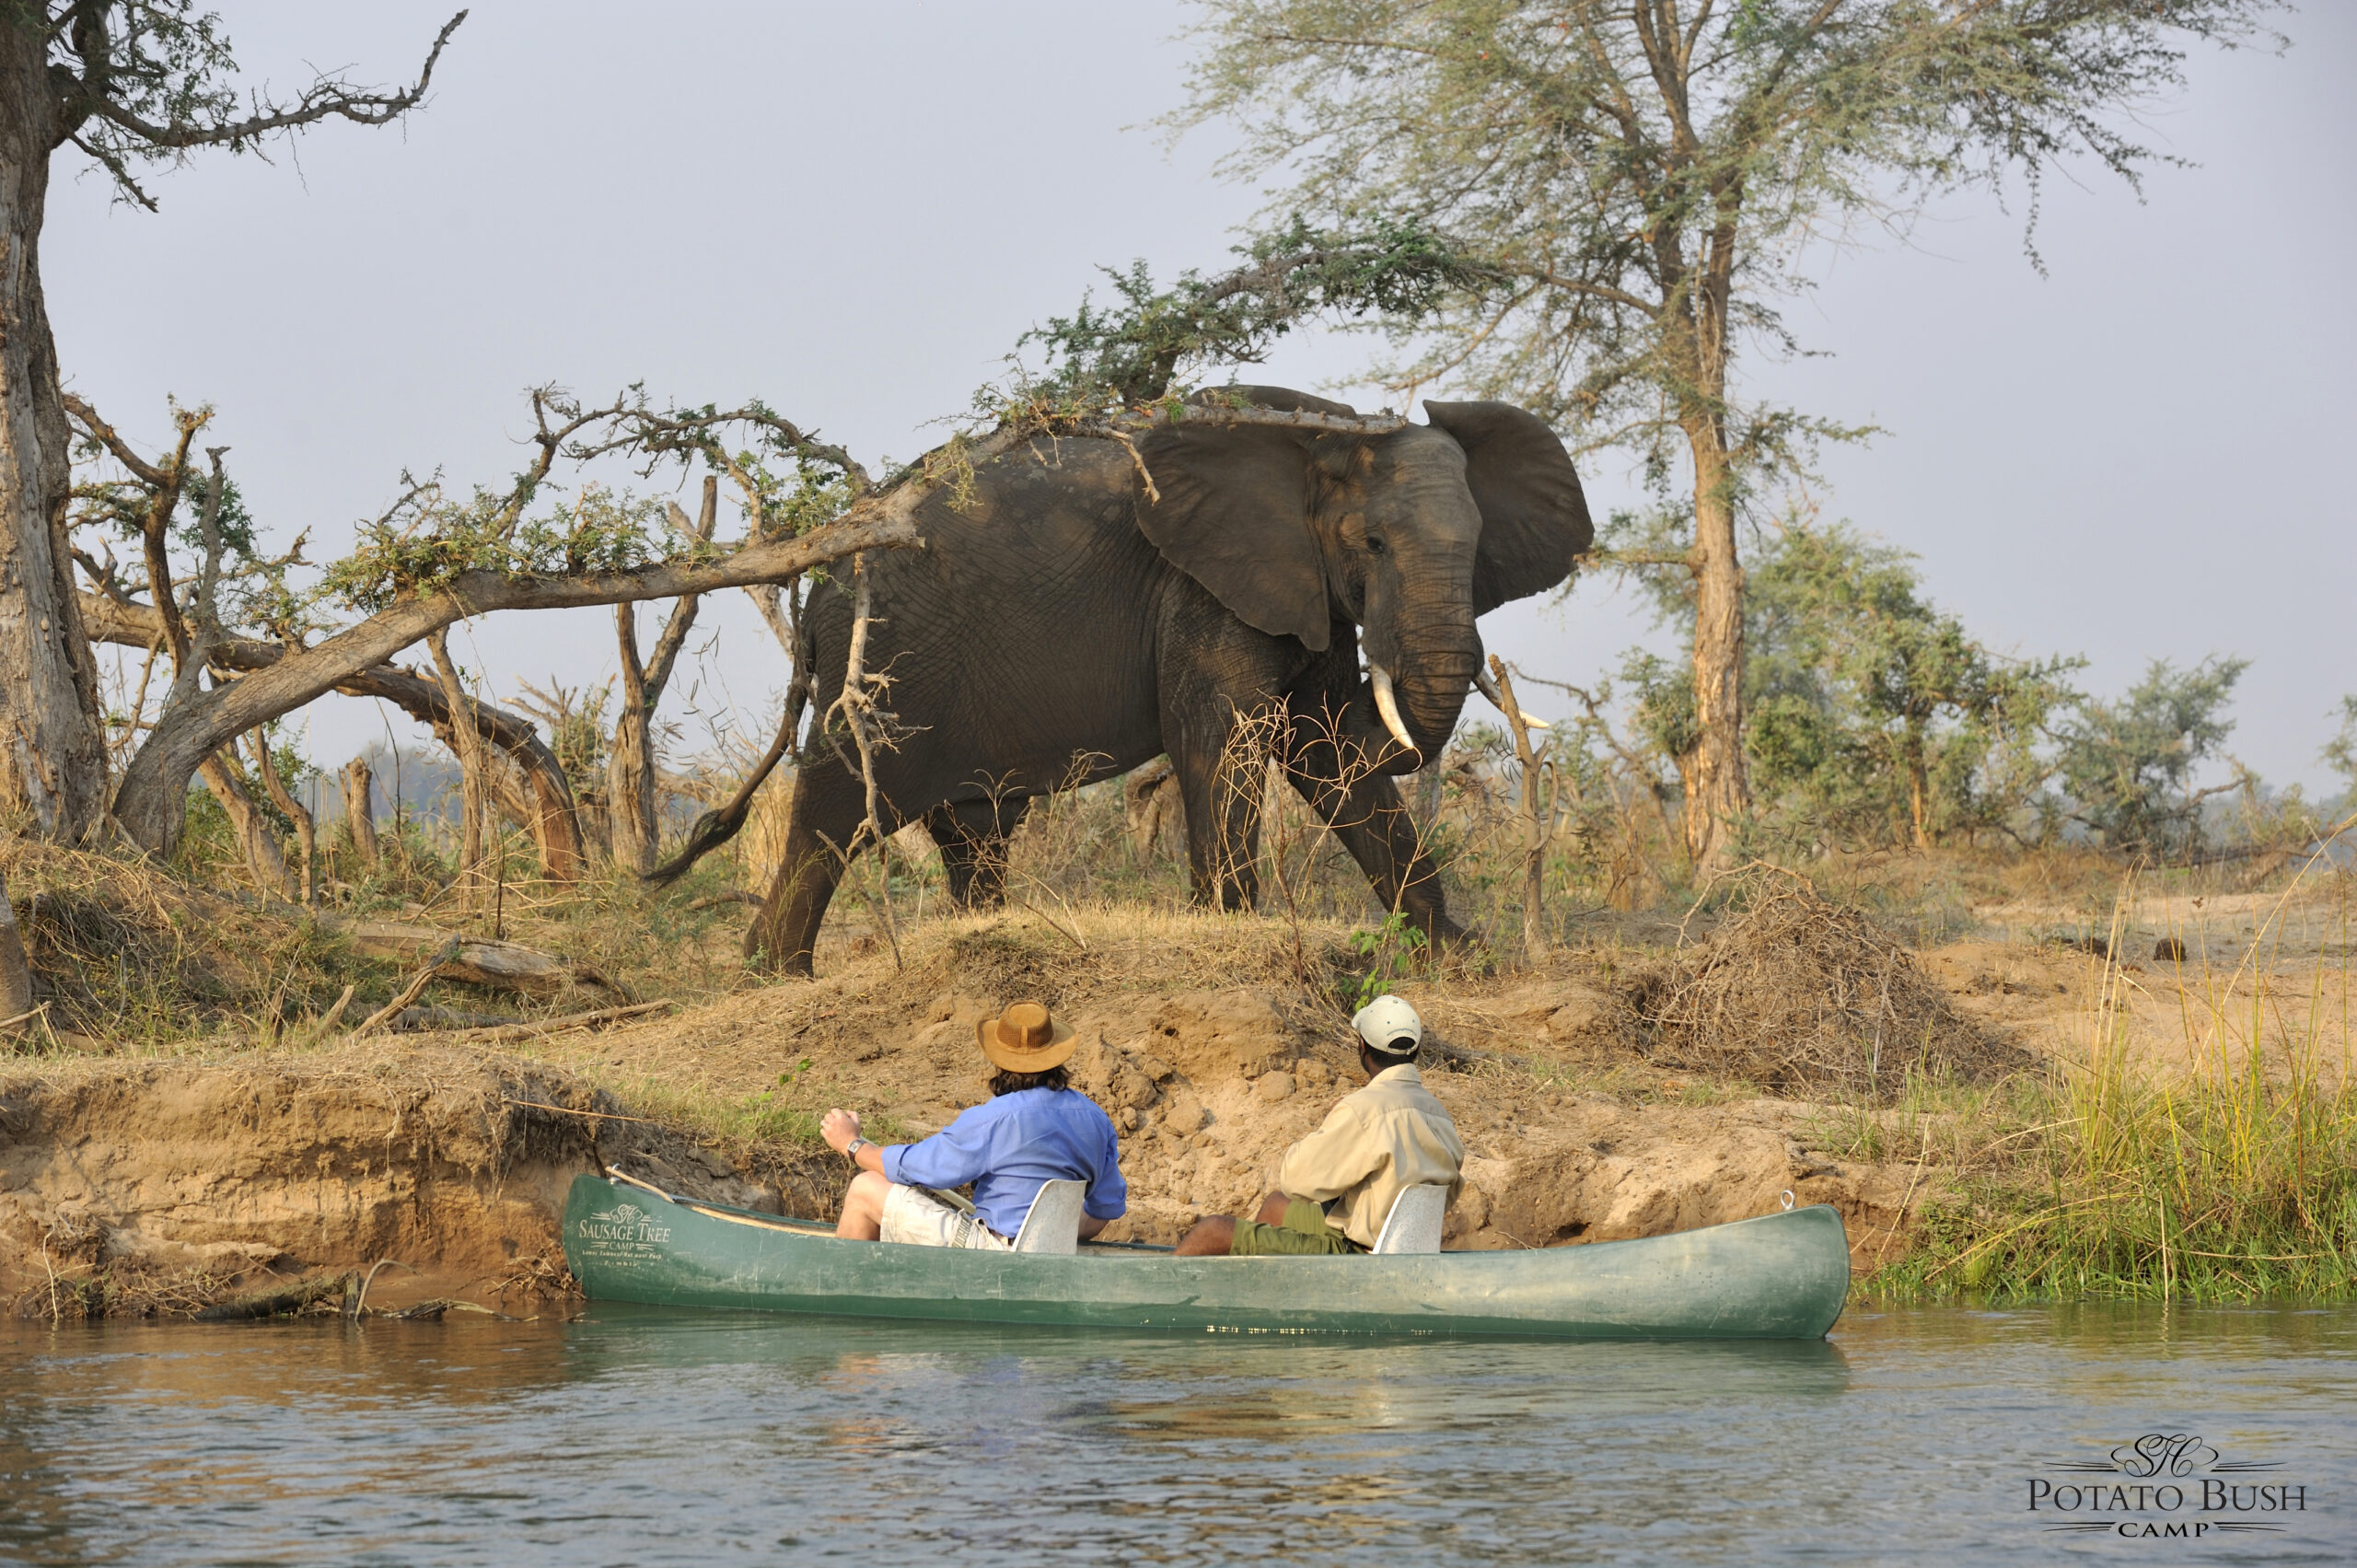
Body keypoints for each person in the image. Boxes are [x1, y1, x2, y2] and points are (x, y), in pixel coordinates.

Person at [1174, 994, 1463, 1256]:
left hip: (1356, 1255)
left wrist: (1331, 1121)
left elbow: (1294, 1180)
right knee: (1276, 1206)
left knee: (1212, 1231)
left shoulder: (1362, 1108)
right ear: (1415, 1050)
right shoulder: (1439, 1114)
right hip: (1402, 1250)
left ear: (1362, 1047)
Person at [822, 1000, 1126, 1249]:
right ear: (1056, 1056)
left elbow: (919, 1168)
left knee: (865, 1188)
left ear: (1000, 1060)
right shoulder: (1096, 1118)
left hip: (994, 1253)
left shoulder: (993, 1118)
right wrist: (1044, 1235)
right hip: (1053, 1252)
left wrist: (853, 1145)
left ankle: (841, 1300)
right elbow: (1104, 1210)